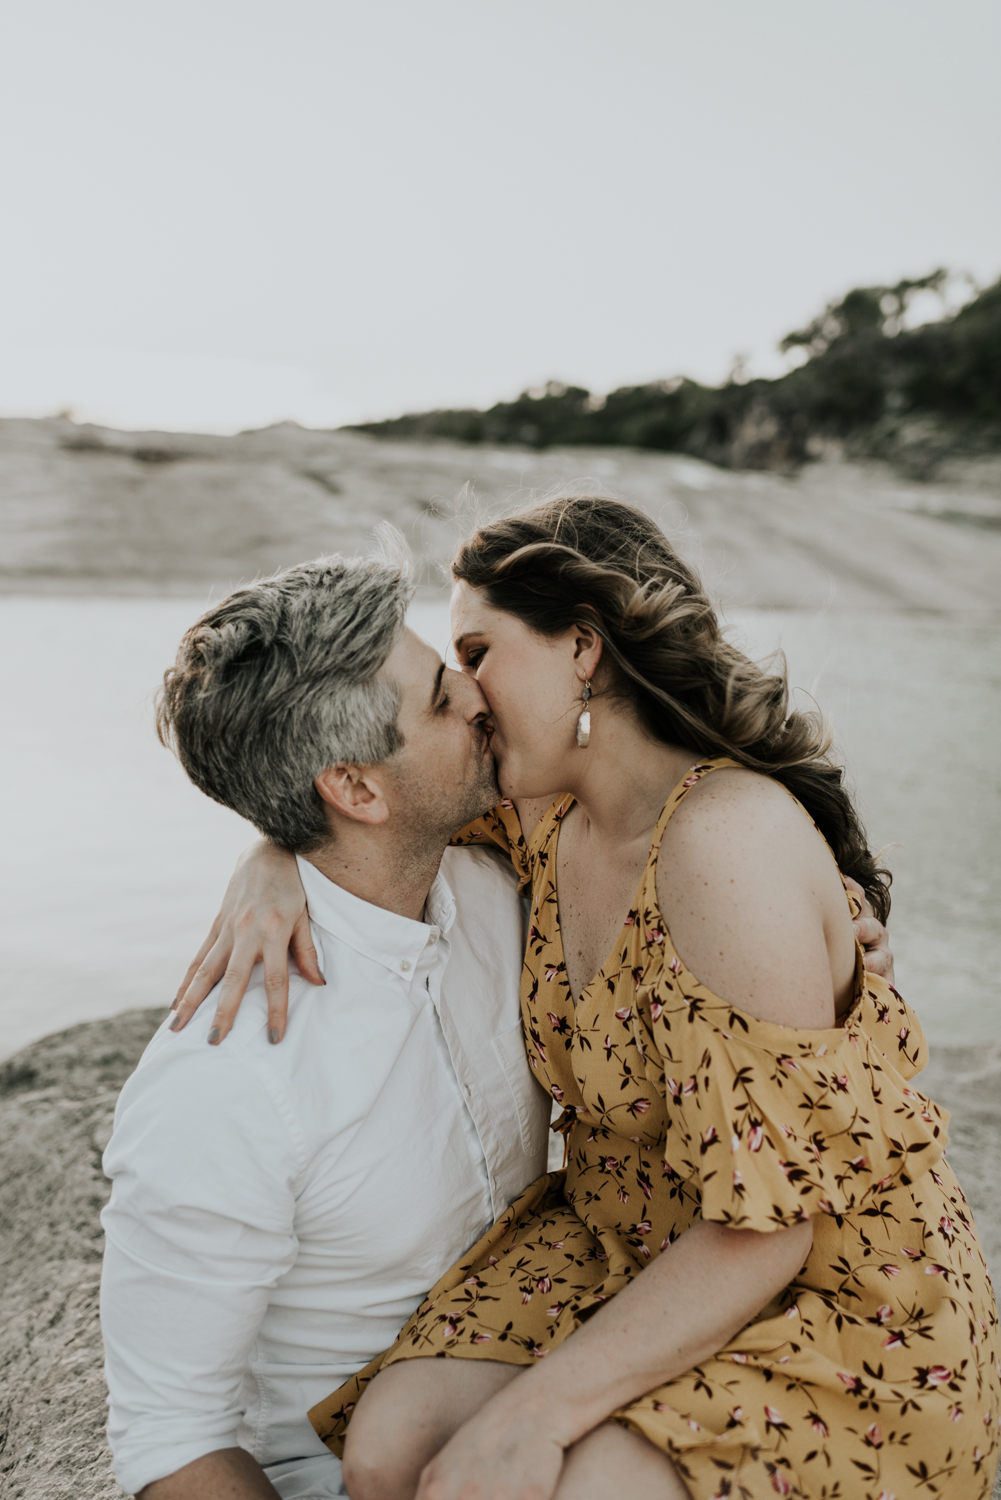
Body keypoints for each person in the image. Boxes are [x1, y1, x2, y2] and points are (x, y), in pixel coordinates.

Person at [171, 495, 999, 1500]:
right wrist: (271, 856)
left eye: (475, 652)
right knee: (389, 1454)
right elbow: (361, 800)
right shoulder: (536, 819)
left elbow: (769, 1222)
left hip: (811, 1278)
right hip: (618, 1239)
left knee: (562, 1484)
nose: (466, 695)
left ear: (581, 649)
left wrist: (529, 1417)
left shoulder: (725, 843)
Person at [99, 546, 552, 1500]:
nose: (479, 697)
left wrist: (838, 922)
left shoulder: (497, 883)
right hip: (356, 1472)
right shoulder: (229, 1079)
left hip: (545, 1382)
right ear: (354, 790)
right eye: (439, 698)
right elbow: (170, 1438)